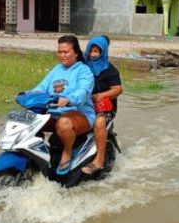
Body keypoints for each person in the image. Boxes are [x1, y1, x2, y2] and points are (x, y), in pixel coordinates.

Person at [30, 35, 95, 173]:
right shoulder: (56, 69)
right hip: (56, 114)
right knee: (30, 118)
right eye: (59, 52)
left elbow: (83, 91)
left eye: (66, 52)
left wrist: (69, 99)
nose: (62, 55)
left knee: (63, 123)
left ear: (76, 53)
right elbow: (42, 87)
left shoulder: (84, 70)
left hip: (80, 115)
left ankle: (67, 152)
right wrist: (29, 94)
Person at [80, 35, 123, 179]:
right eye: (91, 51)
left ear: (103, 52)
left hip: (104, 108)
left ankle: (99, 160)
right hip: (84, 105)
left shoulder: (110, 70)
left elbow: (118, 89)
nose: (93, 54)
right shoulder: (82, 66)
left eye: (96, 52)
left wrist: (101, 95)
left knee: (99, 122)